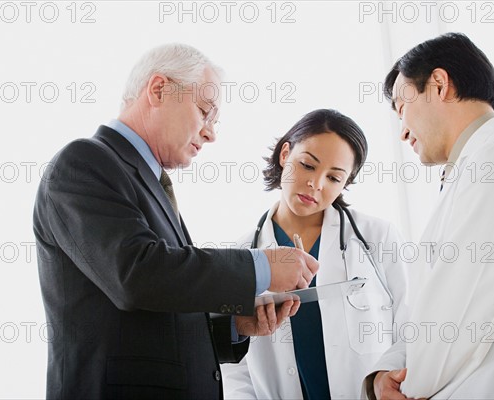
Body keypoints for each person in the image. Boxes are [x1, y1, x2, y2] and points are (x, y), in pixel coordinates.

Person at [33, 43, 319, 399]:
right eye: (204, 112)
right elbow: (137, 275)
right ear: (158, 90)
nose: (211, 133)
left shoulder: (149, 182)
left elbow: (160, 306)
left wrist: (233, 325)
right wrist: (260, 266)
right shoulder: (84, 163)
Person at [365, 33, 494, 399]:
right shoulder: (477, 165)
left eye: (402, 108)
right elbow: (431, 304)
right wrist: (385, 374)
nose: (403, 131)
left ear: (438, 84)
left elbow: (461, 310)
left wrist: (409, 388)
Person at [221, 109, 410, 399]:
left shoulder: (376, 238)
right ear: (285, 154)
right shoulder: (241, 254)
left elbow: (411, 325)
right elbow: (232, 366)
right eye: (308, 165)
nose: (316, 184)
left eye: (334, 178)